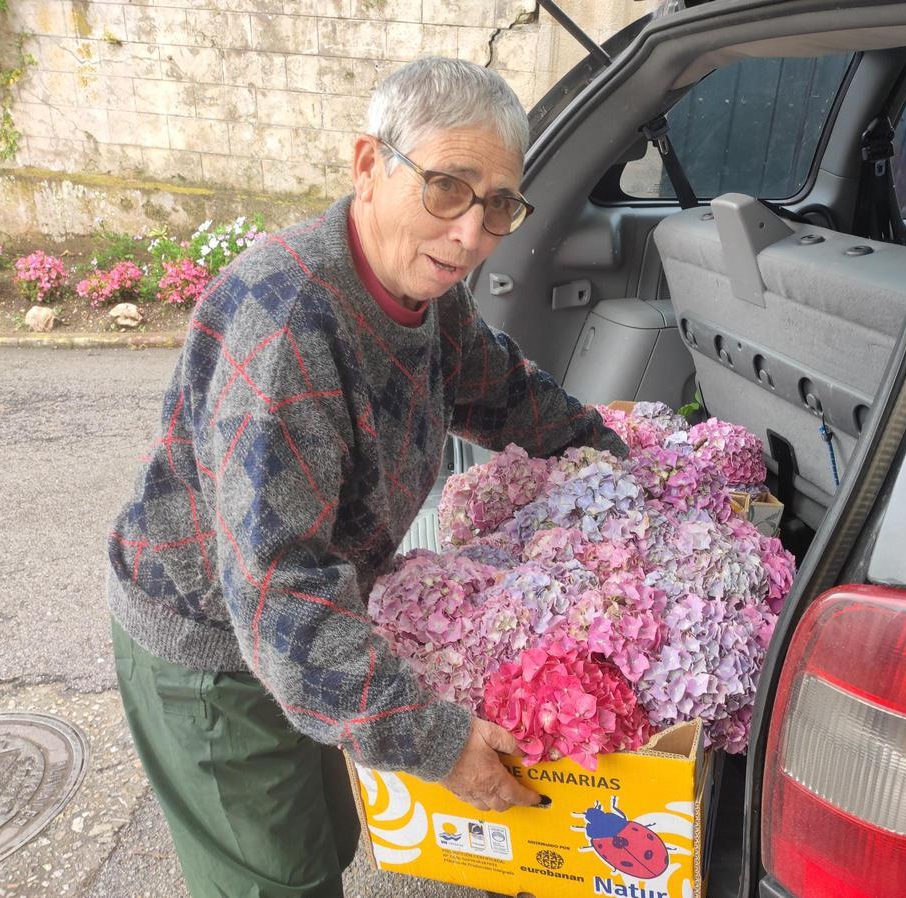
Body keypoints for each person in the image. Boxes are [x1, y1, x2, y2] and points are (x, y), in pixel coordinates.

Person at [107, 56, 627, 897]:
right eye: (449, 188)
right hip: (211, 646)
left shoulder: (423, 286)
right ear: (367, 166)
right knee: (277, 880)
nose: (471, 234)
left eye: (499, 204)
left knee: (326, 835)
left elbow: (497, 387)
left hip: (298, 622)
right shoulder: (287, 329)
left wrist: (607, 453)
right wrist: (434, 740)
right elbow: (280, 591)